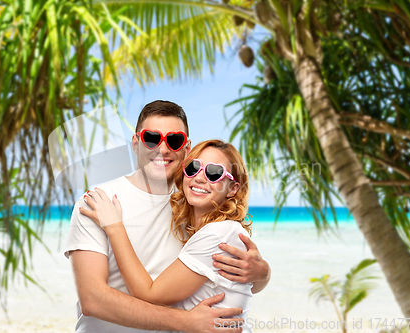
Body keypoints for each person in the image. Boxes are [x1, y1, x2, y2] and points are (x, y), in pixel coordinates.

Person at [64, 101, 271, 333]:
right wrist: (185, 321)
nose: (162, 149)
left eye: (174, 140)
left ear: (186, 147)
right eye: (151, 138)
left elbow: (228, 279)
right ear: (135, 143)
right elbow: (93, 300)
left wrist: (262, 273)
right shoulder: (98, 203)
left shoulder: (195, 204)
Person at [84, 139, 254, 333]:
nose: (199, 178)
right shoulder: (212, 232)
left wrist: (114, 226)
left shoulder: (219, 233)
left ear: (233, 188)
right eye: (193, 167)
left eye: (213, 173)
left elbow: (149, 294)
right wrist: (264, 275)